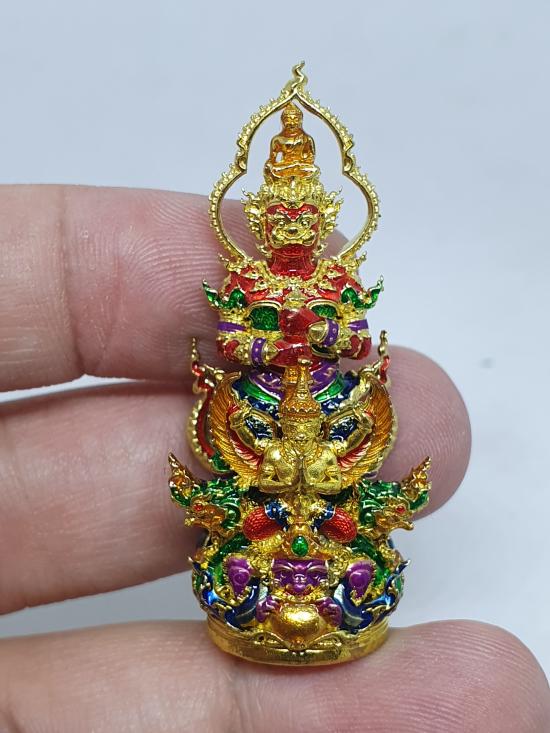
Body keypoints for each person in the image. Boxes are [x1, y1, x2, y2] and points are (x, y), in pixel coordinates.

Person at [0, 185, 548, 731]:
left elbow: (356, 342)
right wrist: (276, 348)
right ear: (262, 226)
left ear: (321, 223)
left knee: (347, 458)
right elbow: (232, 342)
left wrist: (323, 335)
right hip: (261, 394)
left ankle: (340, 563)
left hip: (329, 394)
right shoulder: (248, 281)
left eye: (303, 219)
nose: (292, 229)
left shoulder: (335, 280)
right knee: (247, 462)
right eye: (281, 219)